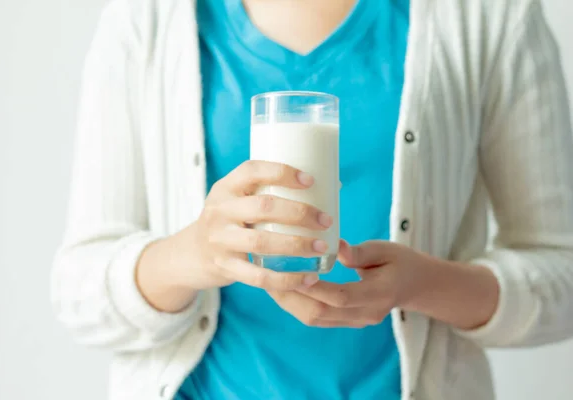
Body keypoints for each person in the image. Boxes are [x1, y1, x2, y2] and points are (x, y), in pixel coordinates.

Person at [51, 0, 573, 399]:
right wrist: (193, 255)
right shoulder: (147, 20)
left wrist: (423, 284)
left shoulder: (491, 17)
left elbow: (563, 277)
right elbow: (78, 294)